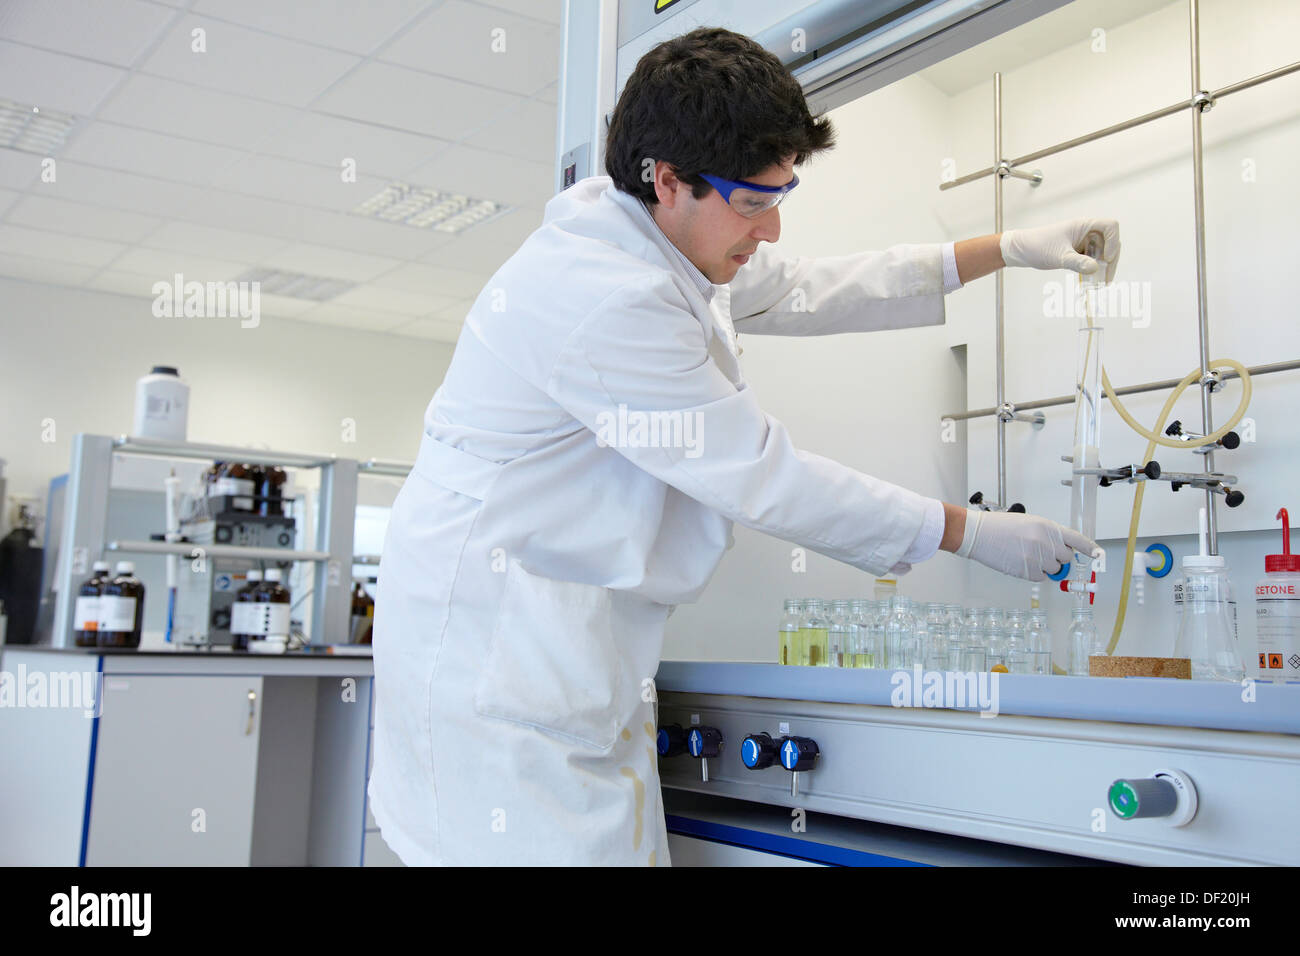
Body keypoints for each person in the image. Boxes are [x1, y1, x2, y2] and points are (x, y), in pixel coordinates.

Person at [369, 26, 1111, 867]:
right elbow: (764, 477)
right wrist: (971, 534)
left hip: (570, 649)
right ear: (668, 178)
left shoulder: (660, 240)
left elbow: (808, 288)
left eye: (782, 193)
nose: (773, 227)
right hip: (501, 670)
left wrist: (1005, 250)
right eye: (754, 203)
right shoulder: (602, 296)